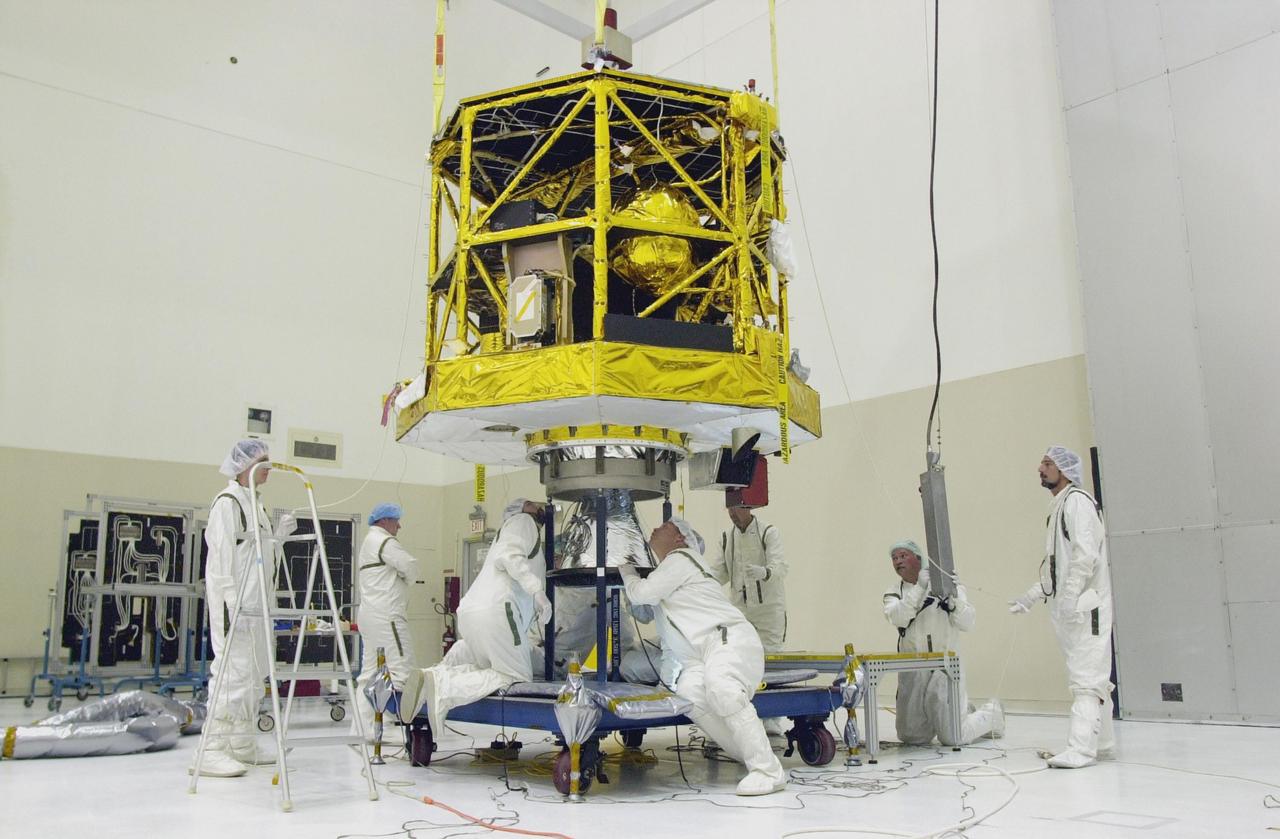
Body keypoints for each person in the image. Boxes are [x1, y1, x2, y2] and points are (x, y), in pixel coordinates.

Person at [620, 517, 787, 796]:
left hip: (726, 639)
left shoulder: (682, 558)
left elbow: (642, 594)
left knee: (723, 688)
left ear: (680, 539)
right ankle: (749, 755)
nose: (657, 528)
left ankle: (768, 770)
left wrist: (625, 571)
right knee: (690, 694)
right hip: (701, 654)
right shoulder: (671, 575)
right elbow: (647, 611)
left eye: (666, 526)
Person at [1008, 446, 1115, 769]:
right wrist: (1030, 596)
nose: (1040, 468)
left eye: (1048, 463)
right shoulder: (1059, 507)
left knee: (1086, 679)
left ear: (1065, 470)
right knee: (1093, 677)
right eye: (1041, 462)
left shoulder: (1078, 502)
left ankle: (1081, 750)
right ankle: (1104, 744)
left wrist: (1070, 599)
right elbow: (1056, 568)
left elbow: (1085, 556)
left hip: (1086, 609)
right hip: (1071, 610)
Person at [195, 439, 295, 777]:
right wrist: (230, 603)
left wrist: (278, 537)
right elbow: (222, 558)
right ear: (244, 466)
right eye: (263, 461)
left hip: (257, 606)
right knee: (232, 674)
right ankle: (211, 749)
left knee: (253, 676)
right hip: (235, 606)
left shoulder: (255, 505)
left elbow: (259, 558)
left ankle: (241, 743)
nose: (269, 467)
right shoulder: (227, 503)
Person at [417, 499, 553, 739]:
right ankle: (444, 683)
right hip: (498, 612)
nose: (539, 507)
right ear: (520, 510)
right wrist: (537, 591)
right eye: (532, 504)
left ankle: (438, 673)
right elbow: (510, 555)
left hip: (474, 612)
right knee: (515, 677)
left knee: (484, 664)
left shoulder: (512, 532)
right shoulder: (523, 522)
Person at [883, 539, 1003, 746]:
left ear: (918, 558)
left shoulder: (946, 585)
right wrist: (919, 588)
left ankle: (992, 715)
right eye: (894, 558)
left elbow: (967, 622)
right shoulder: (894, 592)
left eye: (903, 556)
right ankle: (961, 712)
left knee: (954, 736)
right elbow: (898, 617)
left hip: (945, 667)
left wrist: (954, 600)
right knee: (911, 737)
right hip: (913, 669)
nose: (898, 561)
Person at [711, 502, 788, 735]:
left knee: (771, 660)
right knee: (740, 659)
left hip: (768, 609)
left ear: (748, 507)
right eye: (729, 510)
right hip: (740, 609)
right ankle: (745, 713)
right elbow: (719, 571)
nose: (733, 515)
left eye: (737, 509)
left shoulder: (768, 532)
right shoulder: (727, 537)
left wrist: (765, 572)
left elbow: (781, 566)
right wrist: (700, 583)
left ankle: (773, 718)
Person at [353, 503, 422, 742]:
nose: (399, 526)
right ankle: (400, 726)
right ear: (384, 522)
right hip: (388, 616)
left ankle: (363, 727)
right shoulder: (384, 541)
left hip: (370, 615)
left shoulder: (368, 542)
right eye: (396, 521)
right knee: (400, 667)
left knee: (370, 672)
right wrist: (407, 578)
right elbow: (411, 566)